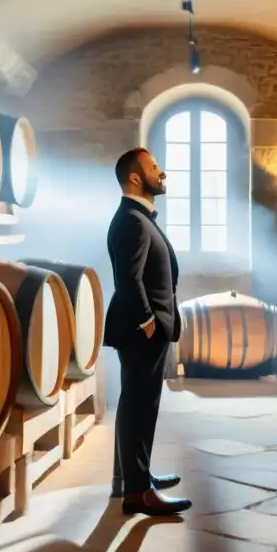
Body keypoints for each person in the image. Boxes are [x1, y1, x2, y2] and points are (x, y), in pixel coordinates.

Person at [104, 147, 192, 517]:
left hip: (146, 329)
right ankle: (138, 493)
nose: (162, 172)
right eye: (154, 167)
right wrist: (147, 321)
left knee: (136, 404)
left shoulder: (139, 217)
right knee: (140, 405)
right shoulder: (133, 221)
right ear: (136, 178)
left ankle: (132, 479)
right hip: (142, 330)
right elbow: (128, 278)